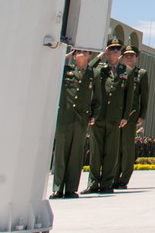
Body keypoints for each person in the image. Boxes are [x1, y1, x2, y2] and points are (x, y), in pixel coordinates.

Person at [86, 38, 129, 193]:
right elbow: (87, 70)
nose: (115, 51)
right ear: (107, 51)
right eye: (112, 49)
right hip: (98, 116)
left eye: (118, 49)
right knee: (96, 151)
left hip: (115, 117)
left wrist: (125, 116)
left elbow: (128, 96)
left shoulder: (126, 71)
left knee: (111, 152)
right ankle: (93, 183)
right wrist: (99, 56)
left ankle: (106, 184)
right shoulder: (99, 70)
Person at [51, 48, 95, 198]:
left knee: (76, 154)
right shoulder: (66, 71)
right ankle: (57, 188)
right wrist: (67, 54)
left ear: (90, 56)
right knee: (61, 153)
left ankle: (71, 188)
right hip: (65, 117)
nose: (82, 53)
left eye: (85, 51)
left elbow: (98, 99)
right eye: (79, 51)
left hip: (81, 119)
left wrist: (94, 114)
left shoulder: (92, 74)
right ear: (74, 55)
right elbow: (53, 65)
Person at [115, 45, 149, 189]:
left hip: (131, 115)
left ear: (136, 58)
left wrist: (142, 114)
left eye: (132, 55)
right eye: (126, 55)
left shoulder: (141, 73)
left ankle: (124, 178)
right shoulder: (116, 71)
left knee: (127, 147)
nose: (129, 57)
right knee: (114, 147)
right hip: (115, 114)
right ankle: (113, 177)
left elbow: (144, 96)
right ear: (122, 57)